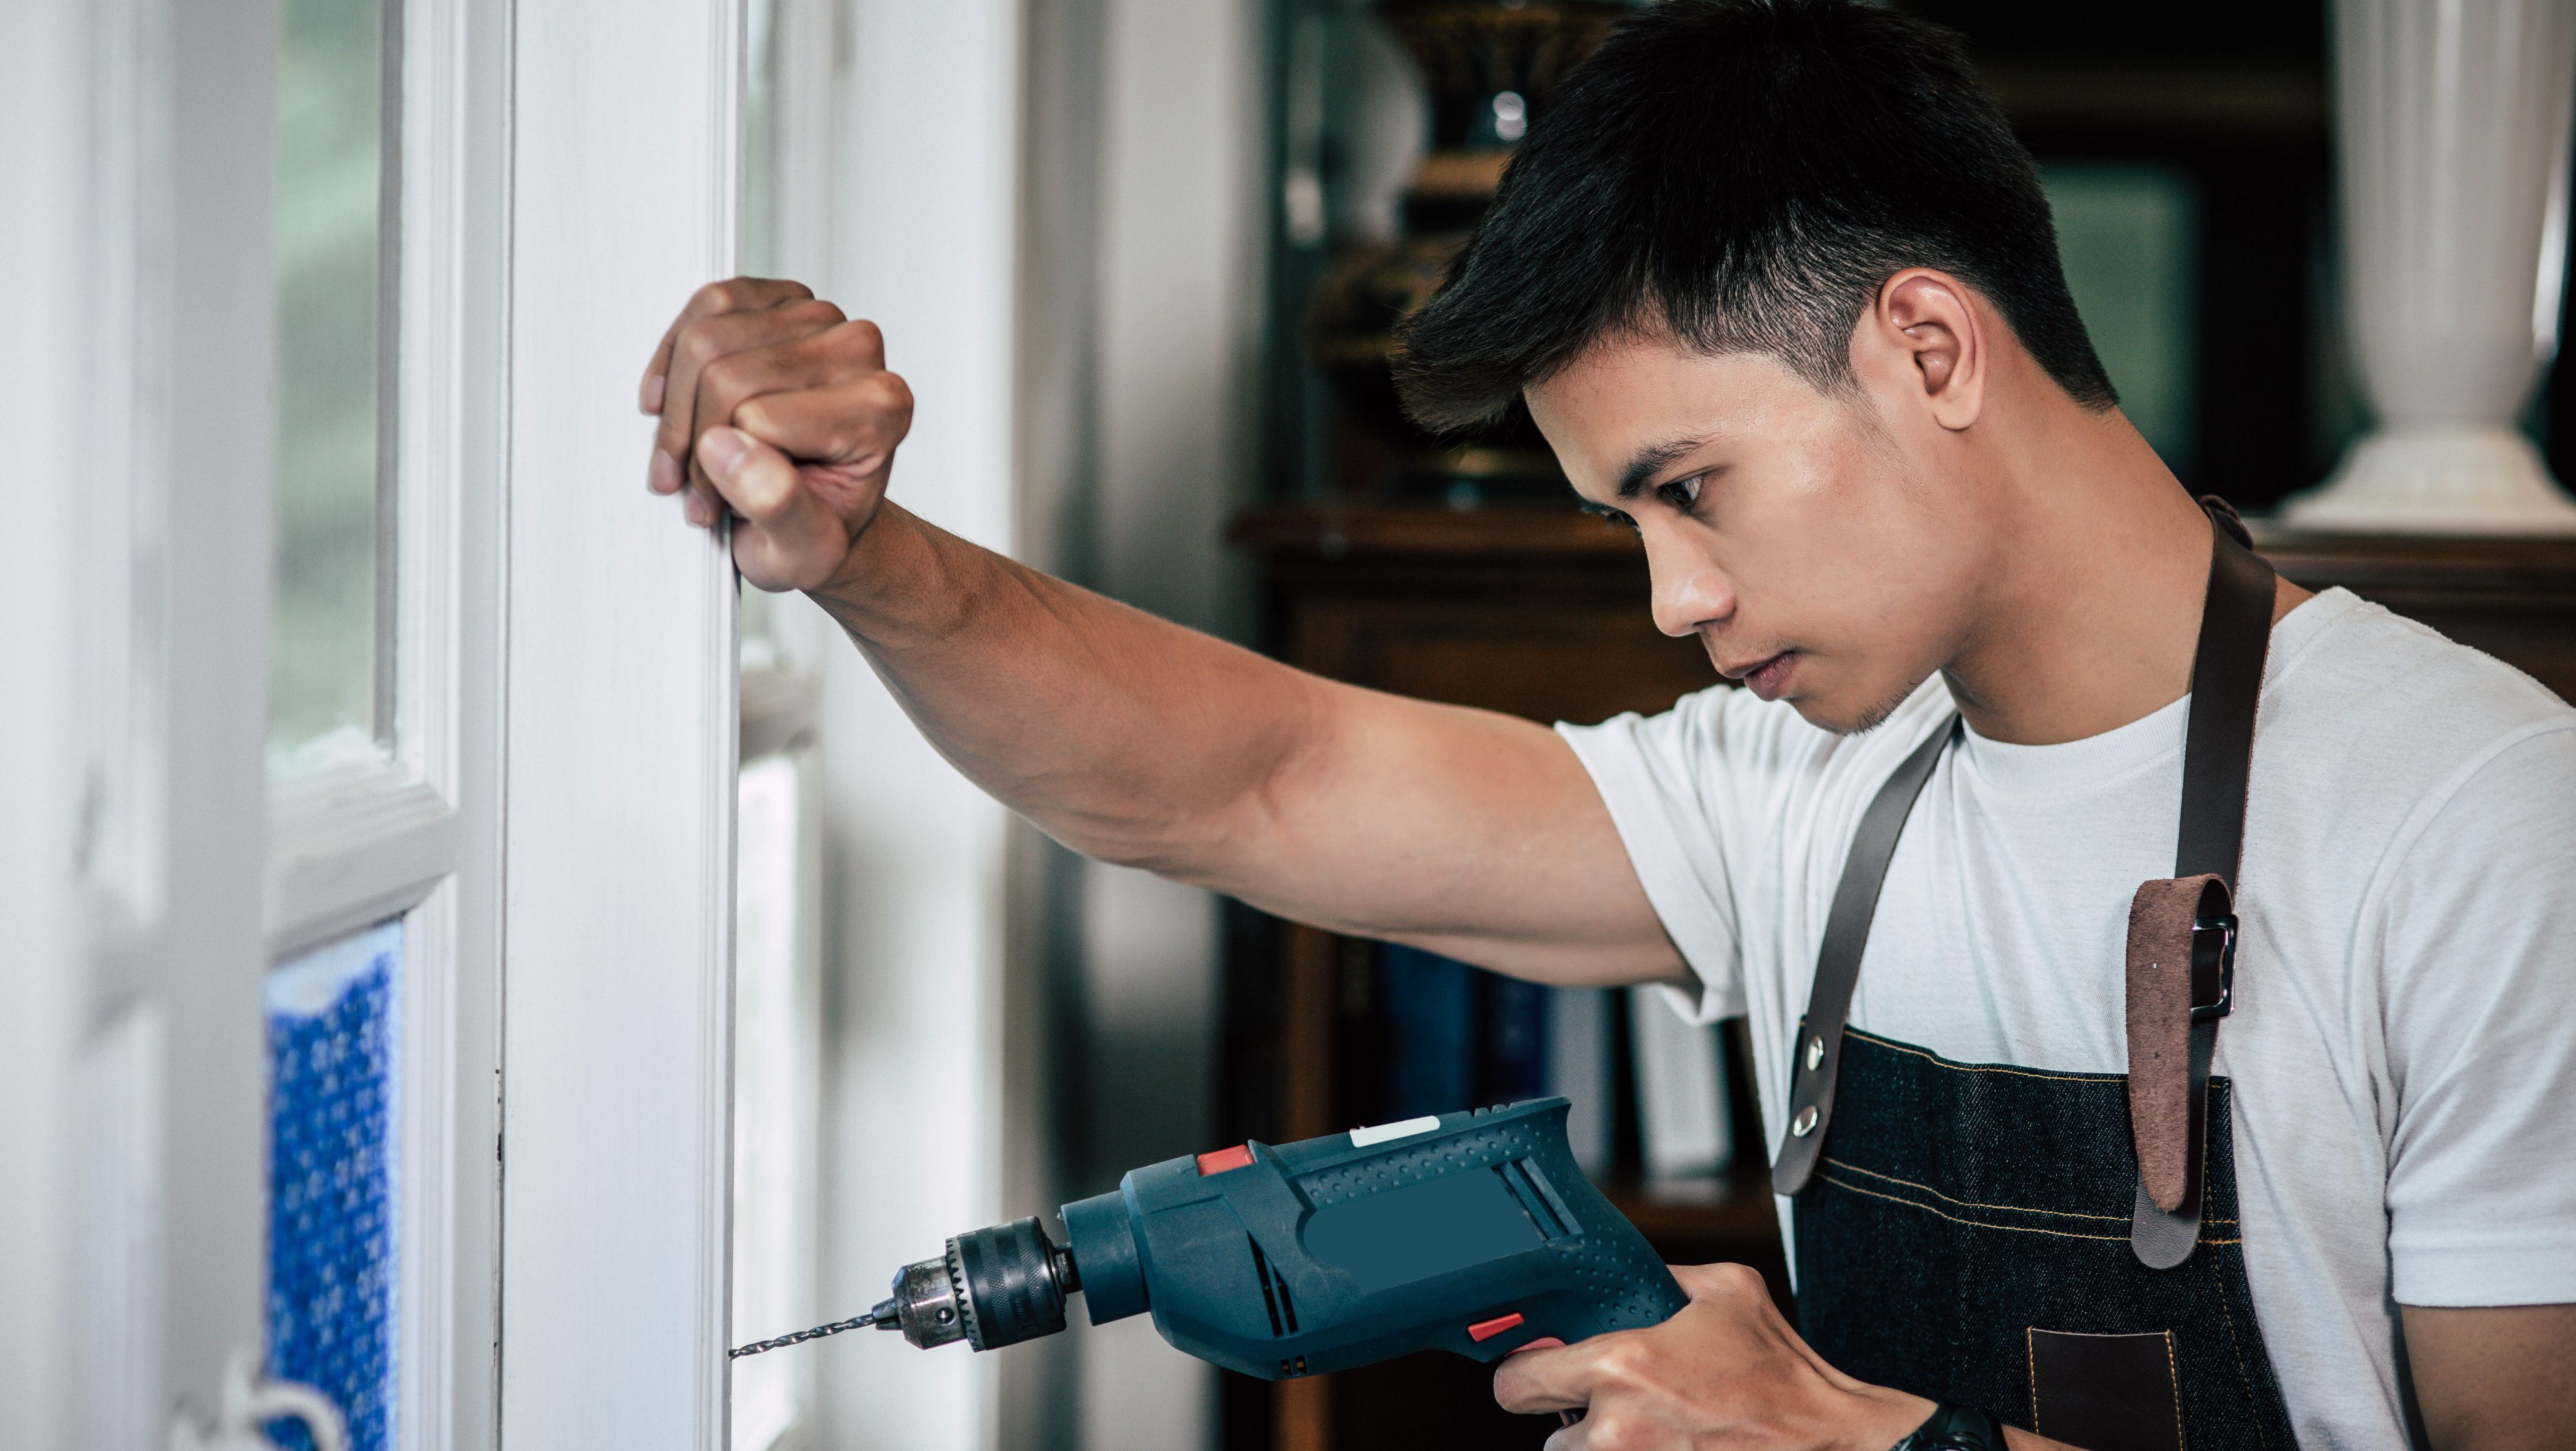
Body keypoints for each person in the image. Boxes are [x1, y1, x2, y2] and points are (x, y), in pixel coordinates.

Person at [636, 2, 2574, 1446]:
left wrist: (1861, 1439)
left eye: (1693, 487)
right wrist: (858, 552)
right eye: (1628, 522)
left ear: (1926, 345)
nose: (1670, 601)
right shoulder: (1813, 793)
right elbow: (1248, 780)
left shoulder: (2470, 816)